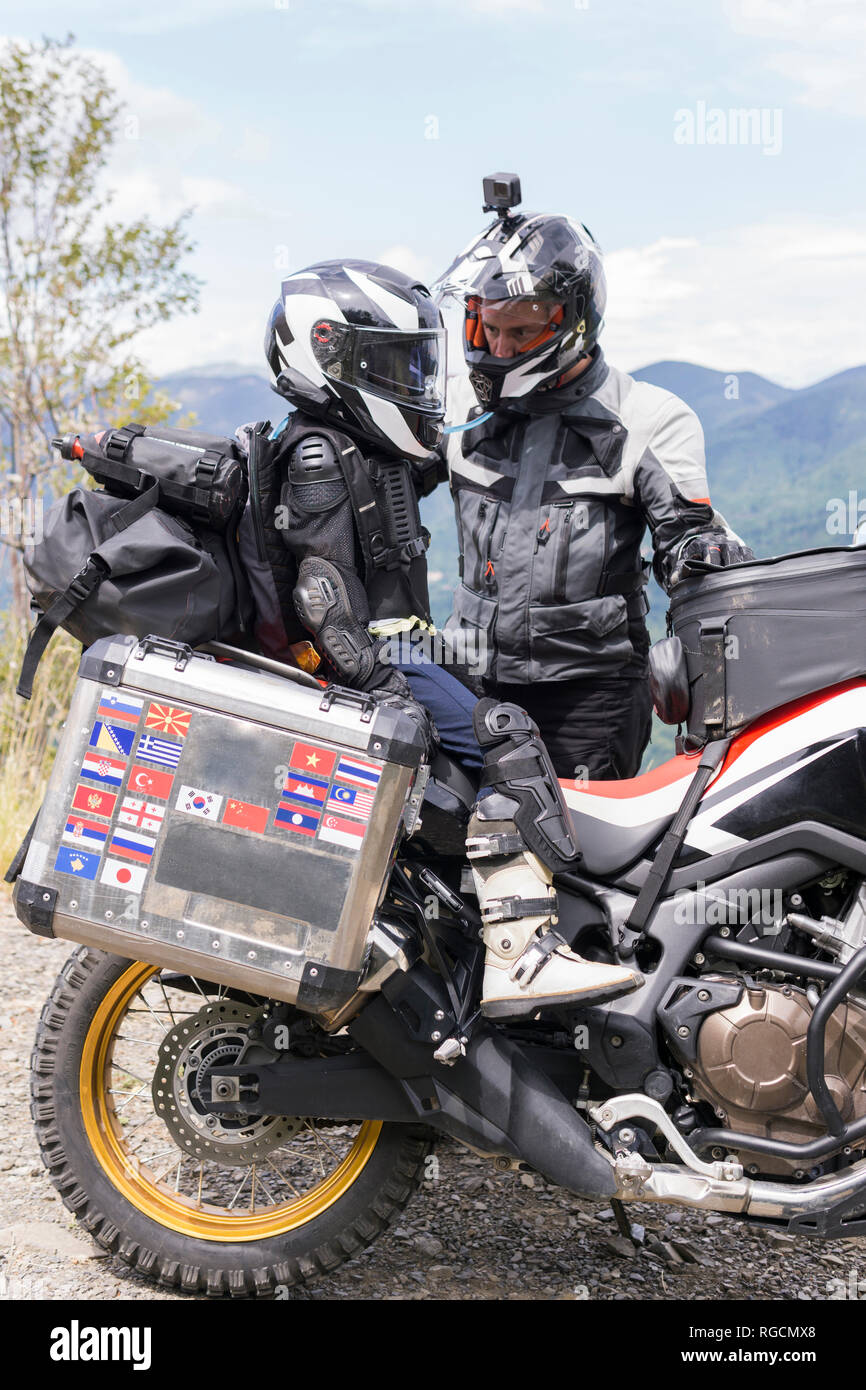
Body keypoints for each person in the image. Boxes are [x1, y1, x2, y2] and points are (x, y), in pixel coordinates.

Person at [428, 175, 755, 1016]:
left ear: (573, 321)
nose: (499, 347)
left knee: (561, 875)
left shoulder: (649, 420)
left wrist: (706, 555)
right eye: (486, 328)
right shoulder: (462, 418)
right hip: (475, 682)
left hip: (590, 695)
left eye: (521, 329)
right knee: (443, 855)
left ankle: (575, 1065)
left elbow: (688, 539)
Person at [243, 257, 482, 770]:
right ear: (328, 353)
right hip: (382, 655)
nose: (412, 380)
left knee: (497, 710)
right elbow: (323, 598)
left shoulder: (363, 442)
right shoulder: (318, 456)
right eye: (394, 364)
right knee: (508, 744)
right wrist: (386, 691)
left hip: (408, 641)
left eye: (417, 364)